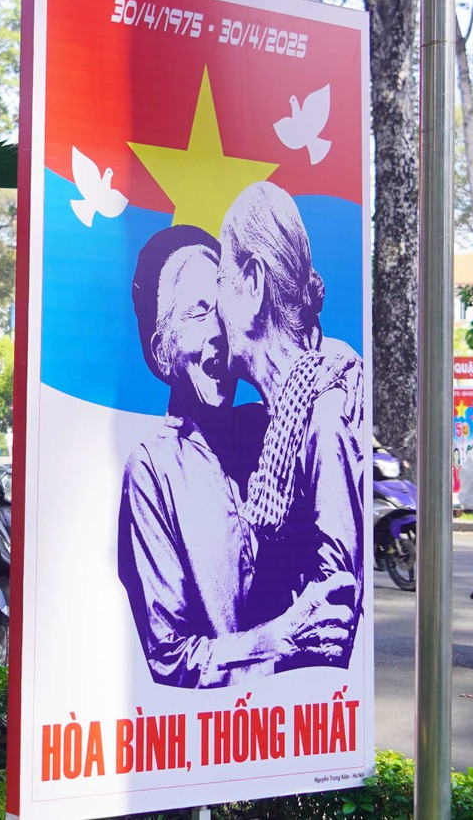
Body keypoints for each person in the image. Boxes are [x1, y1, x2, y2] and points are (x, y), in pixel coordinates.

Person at [116, 225, 355, 689]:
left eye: (220, 308)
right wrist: (280, 640)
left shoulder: (272, 423)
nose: (218, 333)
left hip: (298, 718)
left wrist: (341, 370)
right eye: (196, 313)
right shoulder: (152, 469)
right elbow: (170, 655)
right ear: (160, 351)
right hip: (213, 736)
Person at [215, 182, 367, 668]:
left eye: (222, 278)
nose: (216, 308)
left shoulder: (322, 417)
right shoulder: (285, 415)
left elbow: (332, 610)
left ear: (253, 284)